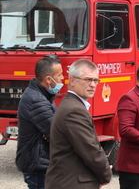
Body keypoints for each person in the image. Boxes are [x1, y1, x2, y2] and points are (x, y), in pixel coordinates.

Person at [45, 59, 112, 188]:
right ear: (72, 81)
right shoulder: (74, 110)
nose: (93, 85)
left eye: (95, 80)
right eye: (87, 80)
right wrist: (106, 174)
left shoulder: (72, 105)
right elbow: (90, 150)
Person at [16, 56, 64, 189]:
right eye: (59, 75)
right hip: (39, 168)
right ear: (48, 79)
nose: (62, 79)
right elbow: (58, 133)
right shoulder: (37, 101)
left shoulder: (43, 96)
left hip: (42, 164)